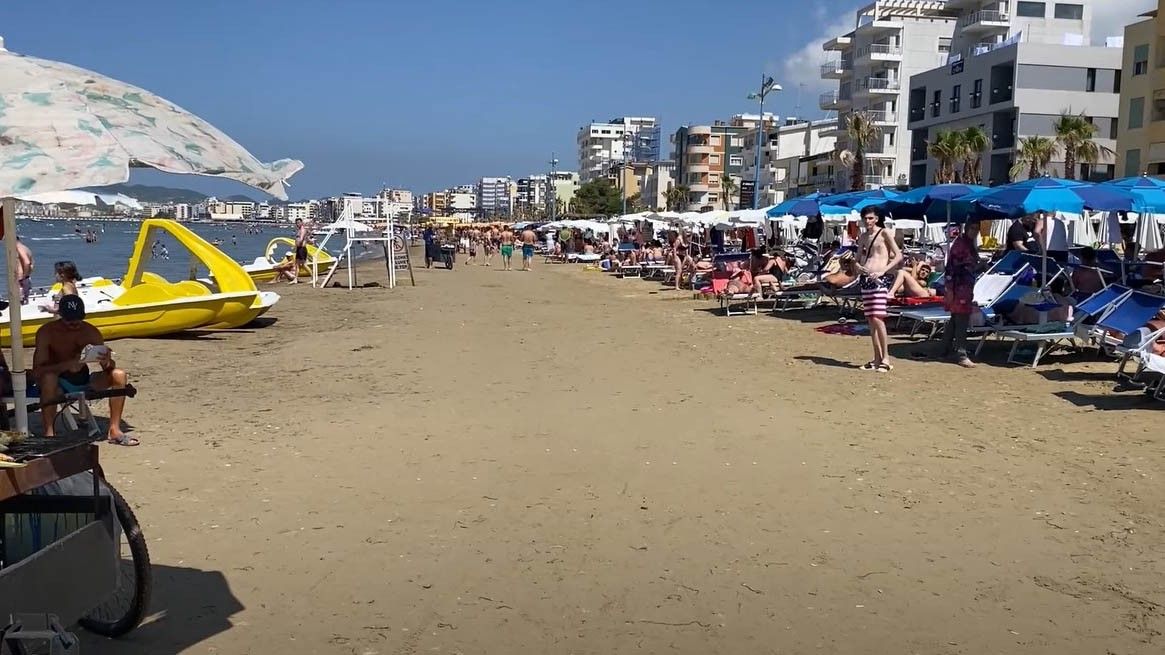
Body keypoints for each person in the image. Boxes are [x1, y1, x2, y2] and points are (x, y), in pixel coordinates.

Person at [32, 295, 134, 445]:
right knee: (49, 377)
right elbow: (37, 371)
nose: (74, 324)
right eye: (69, 321)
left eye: (78, 319)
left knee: (119, 375)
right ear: (60, 316)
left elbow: (109, 367)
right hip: (57, 382)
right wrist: (68, 364)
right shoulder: (47, 332)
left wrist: (106, 362)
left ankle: (114, 429)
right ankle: (49, 433)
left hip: (83, 379)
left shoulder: (90, 332)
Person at [856, 206, 902, 372]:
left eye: (870, 218)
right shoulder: (863, 236)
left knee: (878, 317)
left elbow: (898, 255)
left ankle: (886, 358)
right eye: (865, 218)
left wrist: (884, 270)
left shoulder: (884, 233)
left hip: (880, 279)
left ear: (876, 218)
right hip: (866, 278)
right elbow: (857, 259)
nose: (867, 221)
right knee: (871, 319)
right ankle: (876, 358)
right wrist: (857, 266)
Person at [938, 222, 982, 368]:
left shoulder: (968, 244)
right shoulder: (961, 245)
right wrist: (950, 288)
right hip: (958, 287)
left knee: (955, 318)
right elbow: (952, 268)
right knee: (962, 319)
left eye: (977, 229)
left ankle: (944, 349)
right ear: (967, 228)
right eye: (973, 228)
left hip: (965, 286)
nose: (975, 232)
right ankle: (962, 354)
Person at [290, 218, 310, 283]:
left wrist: (295, 246)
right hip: (299, 248)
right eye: (296, 223)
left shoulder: (303, 230)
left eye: (299, 222)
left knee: (304, 265)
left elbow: (301, 239)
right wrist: (296, 246)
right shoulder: (298, 230)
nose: (297, 224)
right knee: (296, 264)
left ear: (301, 223)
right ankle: (295, 279)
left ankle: (313, 278)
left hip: (302, 249)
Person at [15, 236, 33, 305]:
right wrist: (27, 275)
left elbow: (27, 262)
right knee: (24, 301)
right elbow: (31, 264)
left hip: (21, 279)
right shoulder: (26, 248)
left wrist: (23, 276)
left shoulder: (19, 248)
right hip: (26, 278)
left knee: (18, 303)